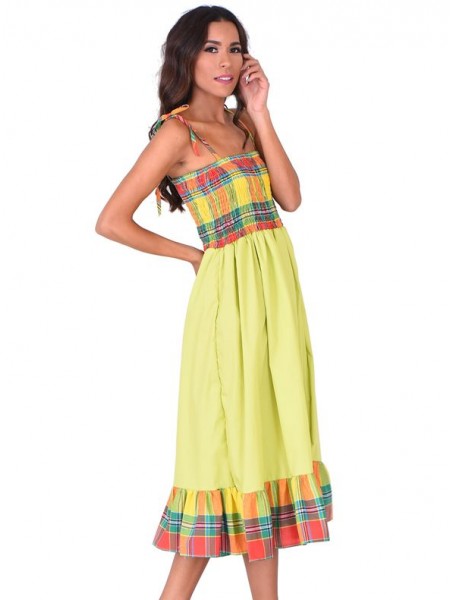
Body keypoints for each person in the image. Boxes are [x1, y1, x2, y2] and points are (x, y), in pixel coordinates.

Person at [95, 5, 333, 600]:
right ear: (186, 57)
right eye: (211, 48)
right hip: (229, 305)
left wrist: (260, 111)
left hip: (278, 302)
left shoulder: (243, 123)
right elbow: (112, 220)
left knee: (266, 449)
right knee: (229, 452)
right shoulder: (178, 133)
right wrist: (193, 256)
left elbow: (290, 198)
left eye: (234, 47)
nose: (226, 60)